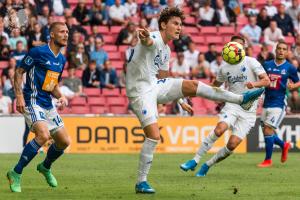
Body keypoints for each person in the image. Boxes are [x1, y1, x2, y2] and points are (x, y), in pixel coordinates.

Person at [126, 7, 265, 194]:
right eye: (175, 23)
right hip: (140, 91)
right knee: (154, 136)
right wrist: (144, 37)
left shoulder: (166, 50)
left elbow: (165, 78)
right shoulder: (154, 38)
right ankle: (141, 181)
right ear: (163, 24)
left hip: (155, 85)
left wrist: (179, 99)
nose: (179, 27)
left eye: (181, 24)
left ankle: (240, 99)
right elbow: (148, 42)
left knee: (192, 85)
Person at [180, 35, 270, 177]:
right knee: (219, 129)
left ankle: (207, 165)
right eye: (233, 44)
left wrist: (254, 84)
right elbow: (214, 87)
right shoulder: (224, 67)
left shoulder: (251, 62)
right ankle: (194, 160)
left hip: (249, 112)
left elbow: (266, 81)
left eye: (239, 45)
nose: (236, 47)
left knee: (232, 145)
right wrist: (197, 93)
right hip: (233, 105)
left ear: (244, 47)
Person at [6, 22, 70, 193]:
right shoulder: (37, 52)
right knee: (43, 135)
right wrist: (19, 96)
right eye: (62, 32)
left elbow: (51, 84)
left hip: (47, 103)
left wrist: (61, 96)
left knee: (64, 141)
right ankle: (16, 172)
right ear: (53, 35)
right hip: (32, 100)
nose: (66, 34)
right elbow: (19, 72)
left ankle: (45, 166)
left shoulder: (61, 60)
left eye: (67, 31)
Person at [257, 41, 300, 167]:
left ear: (287, 52)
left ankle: (268, 160)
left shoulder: (290, 67)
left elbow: (298, 82)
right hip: (267, 102)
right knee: (266, 131)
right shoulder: (266, 65)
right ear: (275, 50)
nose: (281, 51)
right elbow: (261, 80)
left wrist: (293, 86)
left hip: (279, 103)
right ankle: (284, 145)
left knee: (268, 129)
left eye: (284, 49)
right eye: (279, 48)